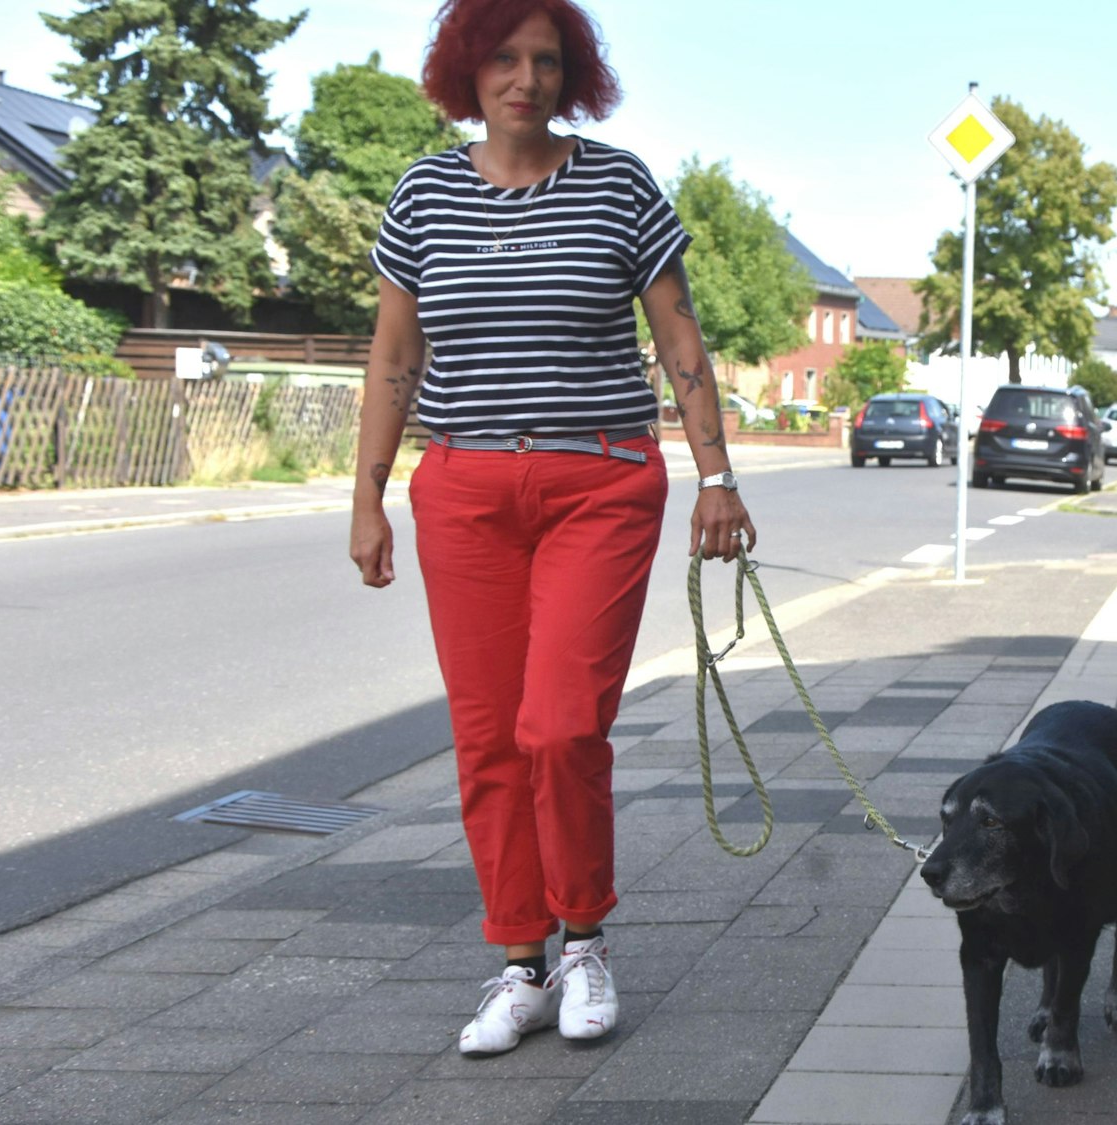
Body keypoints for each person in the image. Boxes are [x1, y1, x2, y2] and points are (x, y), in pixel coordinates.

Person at [348, 0, 755, 1057]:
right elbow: (395, 356)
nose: (524, 78)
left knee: (560, 727)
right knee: (486, 740)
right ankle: (518, 962)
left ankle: (583, 943)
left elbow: (678, 334)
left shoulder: (617, 184)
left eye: (545, 60)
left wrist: (715, 473)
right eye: (503, 57)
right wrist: (369, 496)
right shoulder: (423, 192)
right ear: (464, 69)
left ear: (570, 75)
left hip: (601, 484)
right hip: (465, 491)